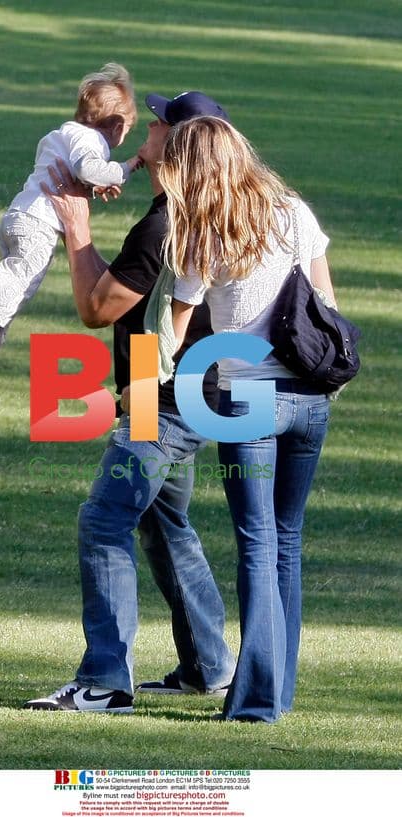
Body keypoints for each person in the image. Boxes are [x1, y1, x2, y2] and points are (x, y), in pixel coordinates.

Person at [23, 92, 236, 713]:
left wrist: (77, 227)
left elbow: (96, 308)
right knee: (162, 522)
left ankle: (105, 682)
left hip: (159, 396)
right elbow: (123, 297)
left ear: (179, 143)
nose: (149, 125)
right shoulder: (195, 212)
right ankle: (208, 666)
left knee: (104, 520)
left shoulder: (164, 227)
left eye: (160, 121)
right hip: (194, 390)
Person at [162, 116, 336, 723]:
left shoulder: (204, 229)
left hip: (251, 397)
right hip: (311, 395)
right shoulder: (294, 212)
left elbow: (174, 332)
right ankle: (276, 692)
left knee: (258, 544)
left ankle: (257, 703)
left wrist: (144, 387)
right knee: (286, 541)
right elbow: (327, 305)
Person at [0, 63, 142, 379]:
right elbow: (87, 169)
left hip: (19, 217)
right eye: (128, 129)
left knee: (20, 284)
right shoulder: (92, 141)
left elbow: (71, 175)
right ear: (118, 126)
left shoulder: (63, 134)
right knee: (21, 275)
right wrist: (124, 168)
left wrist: (93, 187)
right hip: (38, 222)